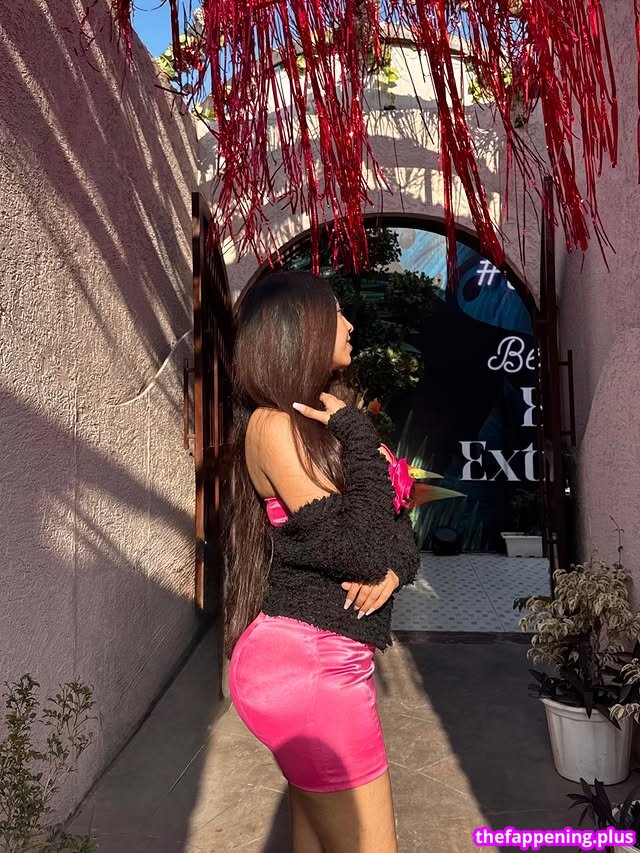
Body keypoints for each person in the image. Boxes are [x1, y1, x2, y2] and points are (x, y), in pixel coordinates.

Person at [223, 269, 420, 852]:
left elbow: (395, 532)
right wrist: (359, 434)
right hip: (309, 667)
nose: (350, 323)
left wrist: (394, 571)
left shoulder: (318, 423)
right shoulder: (272, 425)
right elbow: (360, 548)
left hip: (330, 662)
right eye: (336, 312)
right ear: (298, 329)